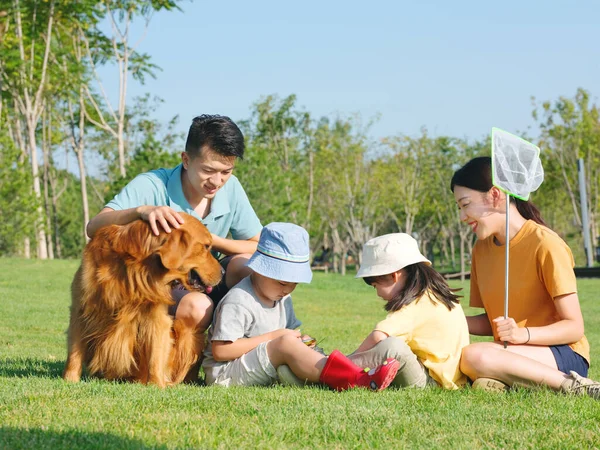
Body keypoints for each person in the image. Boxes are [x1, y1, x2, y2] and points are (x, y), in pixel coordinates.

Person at [86, 115, 263, 375]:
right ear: (186, 159)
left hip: (206, 273)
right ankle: (177, 368)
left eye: (226, 171)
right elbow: (95, 226)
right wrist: (141, 211)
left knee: (250, 268)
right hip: (163, 282)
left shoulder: (231, 189)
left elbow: (257, 244)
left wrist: (208, 240)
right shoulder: (152, 184)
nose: (217, 181)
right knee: (198, 307)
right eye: (208, 170)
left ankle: (256, 357)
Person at [451, 156, 600, 398]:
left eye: (466, 204)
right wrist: (446, 317)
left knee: (474, 356)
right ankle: (506, 382)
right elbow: (493, 322)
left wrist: (524, 334)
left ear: (495, 195)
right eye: (460, 208)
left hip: (561, 353)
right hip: (513, 351)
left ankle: (576, 386)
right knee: (461, 353)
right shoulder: (481, 250)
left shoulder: (545, 244)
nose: (462, 216)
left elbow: (574, 327)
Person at [202, 222, 401, 391]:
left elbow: (288, 333)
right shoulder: (239, 300)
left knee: (295, 349)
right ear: (259, 269)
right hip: (225, 375)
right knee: (284, 344)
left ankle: (352, 371)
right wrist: (275, 337)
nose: (288, 290)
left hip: (259, 363)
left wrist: (300, 340)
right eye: (282, 282)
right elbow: (221, 351)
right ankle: (358, 380)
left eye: (294, 283)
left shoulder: (282, 297)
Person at [349, 233, 470, 390]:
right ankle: (370, 374)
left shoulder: (417, 303)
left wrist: (350, 358)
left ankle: (339, 368)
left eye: (375, 286)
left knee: (393, 347)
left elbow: (378, 336)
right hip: (452, 377)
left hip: (432, 381)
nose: (377, 293)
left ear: (394, 276)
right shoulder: (435, 293)